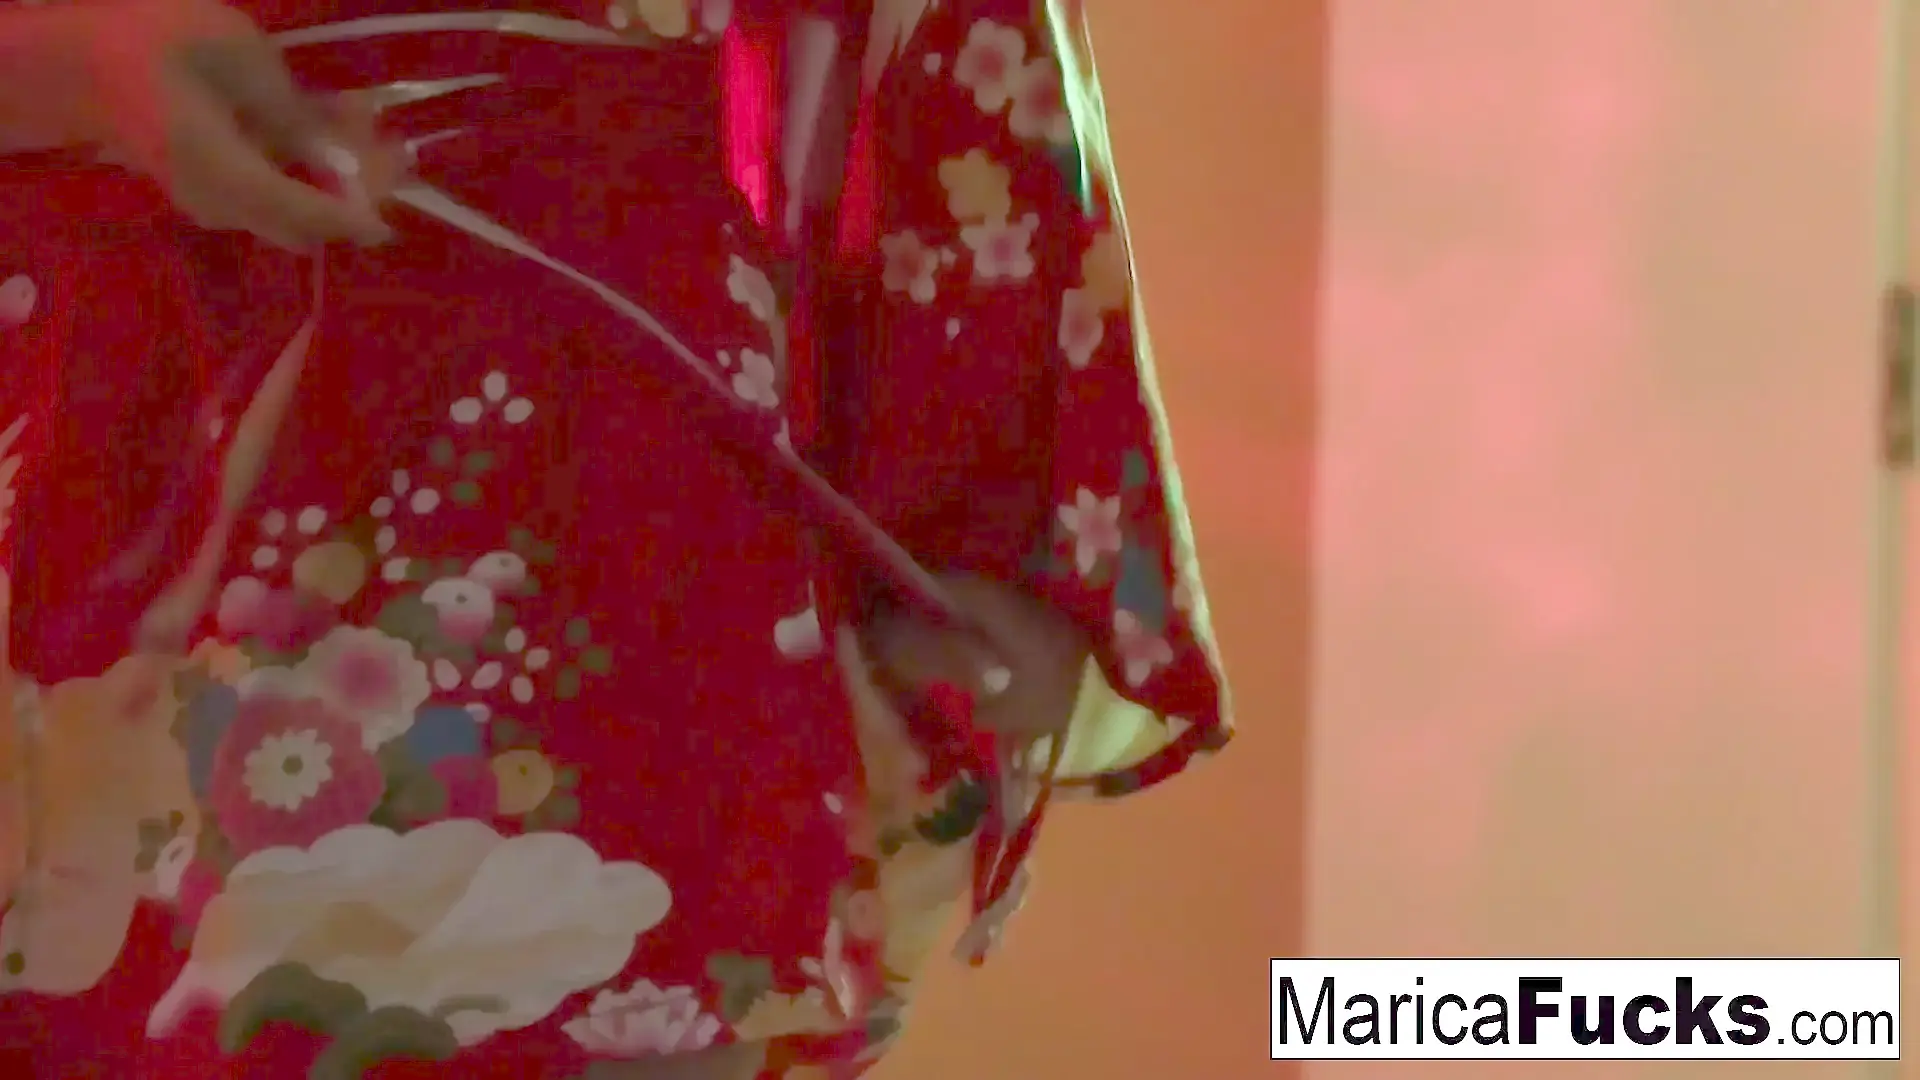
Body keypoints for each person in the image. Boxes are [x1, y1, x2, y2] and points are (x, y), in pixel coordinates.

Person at [0, 0, 1231, 1076]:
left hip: (608, 492)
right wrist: (80, 65)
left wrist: (966, 525)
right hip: (95, 445)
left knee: (607, 976)